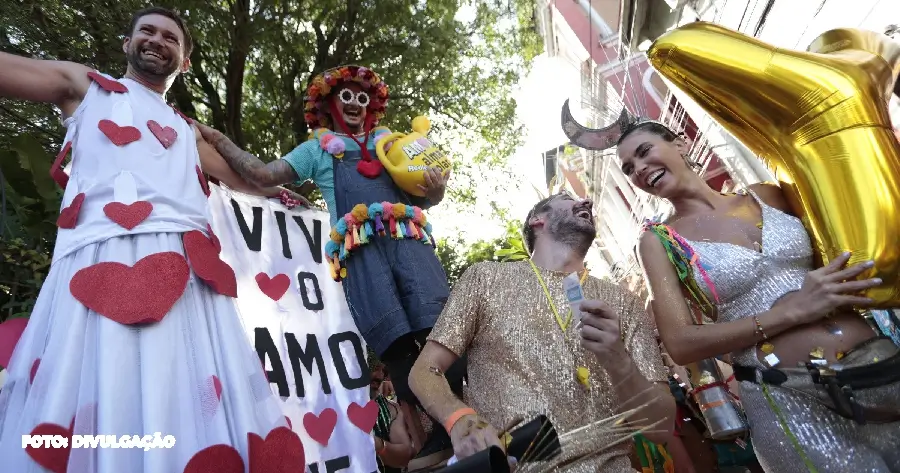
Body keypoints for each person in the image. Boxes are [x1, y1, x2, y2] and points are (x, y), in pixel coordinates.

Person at [0, 7, 304, 472]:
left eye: (170, 38)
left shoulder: (187, 130)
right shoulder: (87, 85)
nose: (157, 40)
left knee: (181, 393)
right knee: (96, 389)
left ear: (183, 62)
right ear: (127, 43)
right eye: (147, 31)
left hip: (184, 272)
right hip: (94, 260)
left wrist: (289, 182)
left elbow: (255, 181)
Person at [562, 111, 900, 472]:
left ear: (681, 143)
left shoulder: (769, 195)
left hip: (879, 364)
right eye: (629, 169)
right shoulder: (659, 242)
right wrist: (792, 311)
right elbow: (680, 342)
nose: (639, 169)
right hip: (787, 398)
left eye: (645, 152)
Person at [195, 64, 460, 465]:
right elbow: (264, 175)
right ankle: (442, 436)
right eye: (346, 96)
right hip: (360, 253)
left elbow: (425, 194)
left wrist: (436, 192)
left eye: (362, 97)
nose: (355, 103)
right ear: (329, 104)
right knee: (397, 345)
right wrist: (219, 139)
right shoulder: (317, 149)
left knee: (440, 327)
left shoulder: (397, 143)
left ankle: (469, 414)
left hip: (409, 241)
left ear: (372, 105)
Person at [408, 192, 675, 472]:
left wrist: (618, 360)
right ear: (538, 220)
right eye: (568, 198)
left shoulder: (626, 303)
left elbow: (661, 427)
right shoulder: (486, 279)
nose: (587, 201)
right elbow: (424, 370)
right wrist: (460, 419)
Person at [371, 364, 415, 472]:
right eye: (374, 368)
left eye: (383, 371)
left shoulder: (391, 409)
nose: (380, 375)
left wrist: (378, 445)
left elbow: (405, 455)